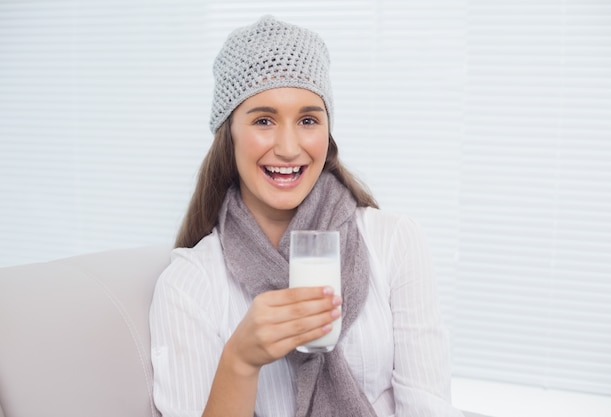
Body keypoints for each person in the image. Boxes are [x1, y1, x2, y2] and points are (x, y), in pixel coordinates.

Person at [149, 15, 464, 417]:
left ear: (327, 134)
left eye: (308, 120)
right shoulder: (189, 285)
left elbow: (428, 407)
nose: (288, 146)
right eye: (264, 120)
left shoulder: (395, 242)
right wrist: (240, 361)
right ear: (228, 134)